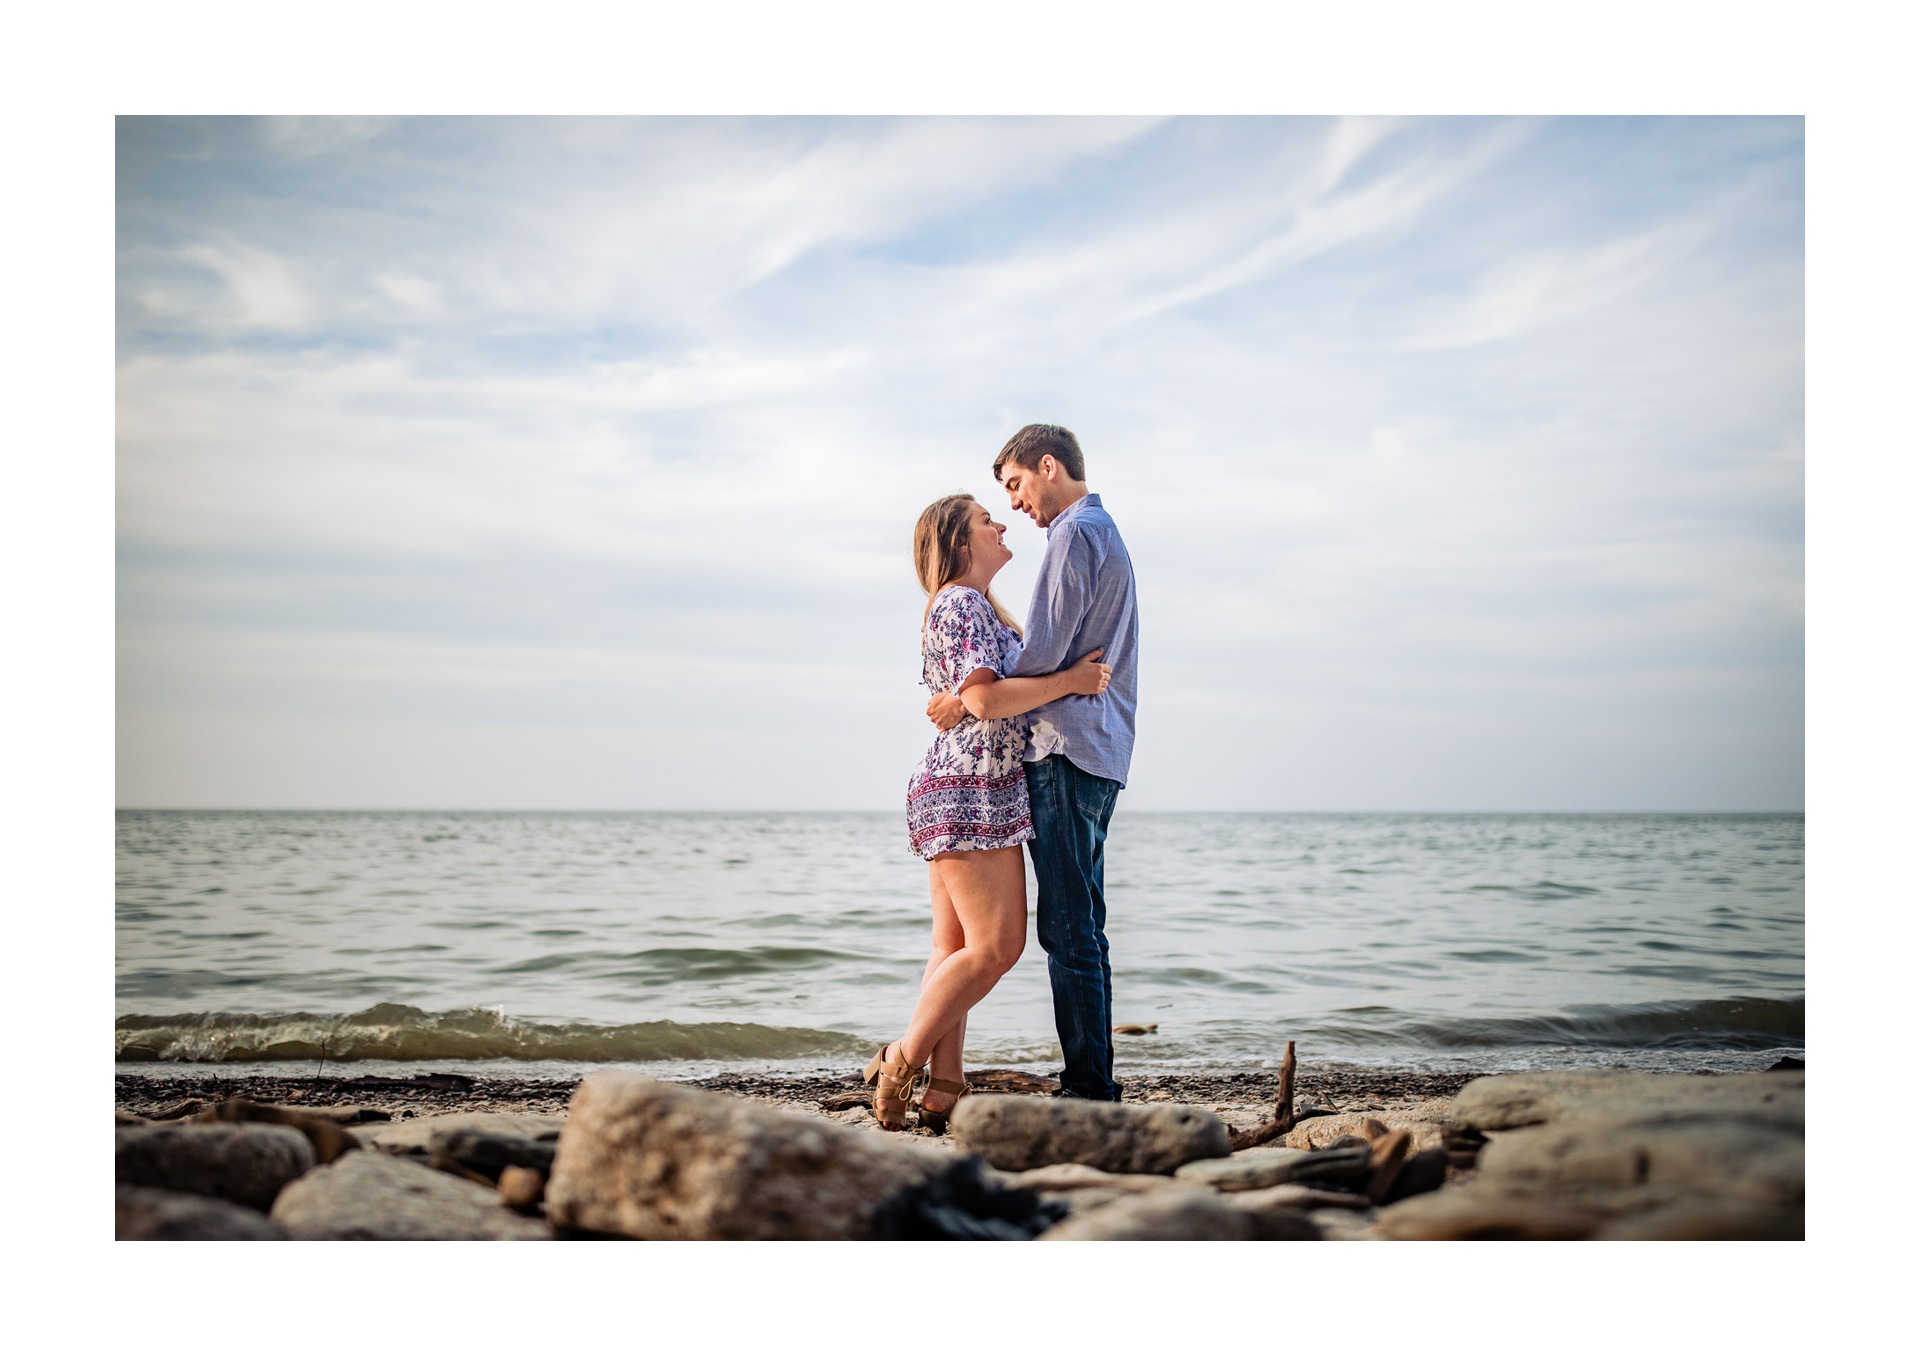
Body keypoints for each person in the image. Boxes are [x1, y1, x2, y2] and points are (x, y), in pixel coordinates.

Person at [865, 493, 1111, 1132]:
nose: (1002, 524)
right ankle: (901, 1061)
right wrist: (1070, 682)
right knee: (999, 945)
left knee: (954, 947)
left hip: (956, 782)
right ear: (958, 541)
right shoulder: (963, 602)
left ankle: (944, 1086)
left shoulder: (965, 606)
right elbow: (985, 700)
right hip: (974, 785)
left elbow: (972, 696)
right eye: (985, 520)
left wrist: (970, 697)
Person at [927, 424, 1139, 1102]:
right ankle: (1086, 1079)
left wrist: (970, 699)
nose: (1015, 504)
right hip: (1097, 747)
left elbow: (1042, 655)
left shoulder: (1076, 534)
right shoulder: (1101, 531)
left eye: (1015, 485)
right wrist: (981, 692)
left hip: (1063, 747)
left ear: (1049, 467)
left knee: (1068, 926)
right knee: (1078, 921)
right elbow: (1052, 659)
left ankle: (1088, 1087)